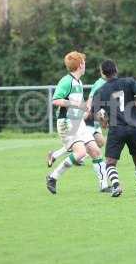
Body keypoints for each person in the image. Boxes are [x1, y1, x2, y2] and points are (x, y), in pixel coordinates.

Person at [46, 51, 109, 194]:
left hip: (78, 122)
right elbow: (55, 100)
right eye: (84, 62)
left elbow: (79, 106)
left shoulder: (79, 82)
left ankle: (104, 185)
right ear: (80, 64)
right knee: (80, 153)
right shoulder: (66, 81)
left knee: (95, 150)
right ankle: (52, 177)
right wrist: (76, 104)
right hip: (66, 123)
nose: (85, 64)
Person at [93, 59, 136, 197]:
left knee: (110, 163)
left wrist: (103, 120)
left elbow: (96, 113)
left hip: (116, 129)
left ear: (103, 74)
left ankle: (116, 186)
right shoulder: (129, 82)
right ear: (116, 70)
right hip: (133, 127)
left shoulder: (100, 91)